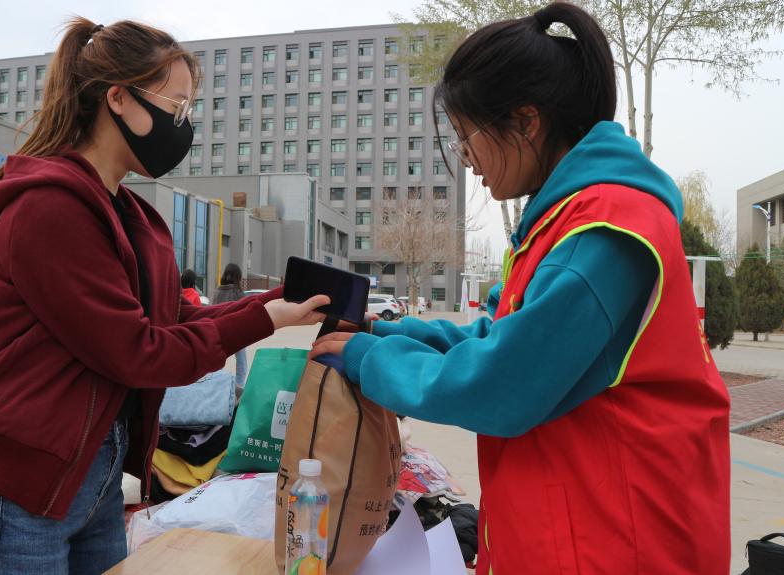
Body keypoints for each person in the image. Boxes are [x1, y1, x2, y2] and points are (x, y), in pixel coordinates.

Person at [312, 3, 730, 573]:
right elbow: (500, 337)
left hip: (619, 541)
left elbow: (502, 383)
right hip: (574, 524)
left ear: (526, 122)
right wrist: (390, 332)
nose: (466, 160)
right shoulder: (559, 223)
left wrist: (372, 359)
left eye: (466, 136)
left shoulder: (605, 230)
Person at [0, 18, 327, 575]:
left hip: (94, 476)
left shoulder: (129, 214)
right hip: (21, 493)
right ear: (118, 98)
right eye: (176, 105)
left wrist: (276, 306)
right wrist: (262, 318)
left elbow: (176, 316)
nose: (183, 124)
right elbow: (138, 351)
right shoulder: (49, 208)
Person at [213, 263, 248, 388]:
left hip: (219, 331)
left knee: (218, 362)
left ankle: (218, 386)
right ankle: (239, 387)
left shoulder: (217, 291)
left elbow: (213, 311)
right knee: (242, 363)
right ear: (238, 277)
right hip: (236, 333)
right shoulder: (238, 293)